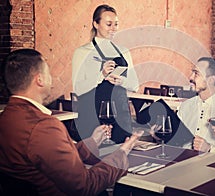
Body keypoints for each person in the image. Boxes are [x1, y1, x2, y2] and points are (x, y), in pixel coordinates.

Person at [0, 48, 143, 195]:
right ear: (40, 79)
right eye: (48, 72)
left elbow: (54, 157)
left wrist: (92, 141)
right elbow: (85, 186)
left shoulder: (6, 118)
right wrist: (122, 153)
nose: (51, 78)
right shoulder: (44, 126)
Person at [72, 4, 139, 143]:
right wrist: (101, 75)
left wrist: (121, 81)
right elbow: (78, 89)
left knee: (122, 159)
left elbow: (135, 85)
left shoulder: (124, 51)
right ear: (95, 24)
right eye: (109, 24)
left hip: (121, 116)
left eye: (116, 24)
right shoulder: (82, 53)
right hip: (92, 116)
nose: (113, 28)